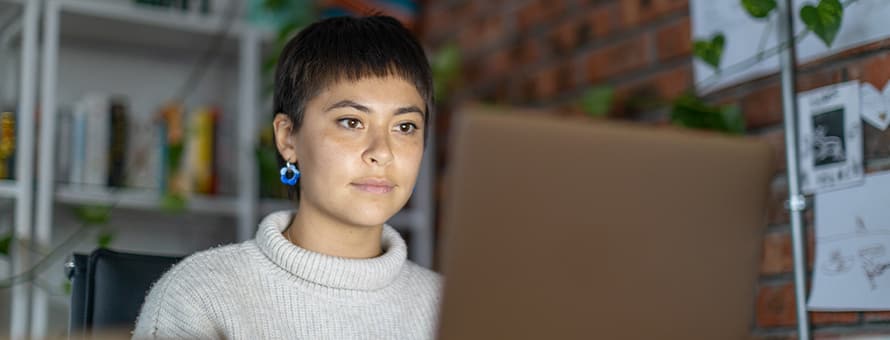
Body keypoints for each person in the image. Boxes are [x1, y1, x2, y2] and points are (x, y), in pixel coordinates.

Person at [133, 15, 441, 339]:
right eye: (351, 122)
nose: (382, 152)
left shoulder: (447, 308)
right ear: (287, 138)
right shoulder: (200, 297)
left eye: (405, 127)